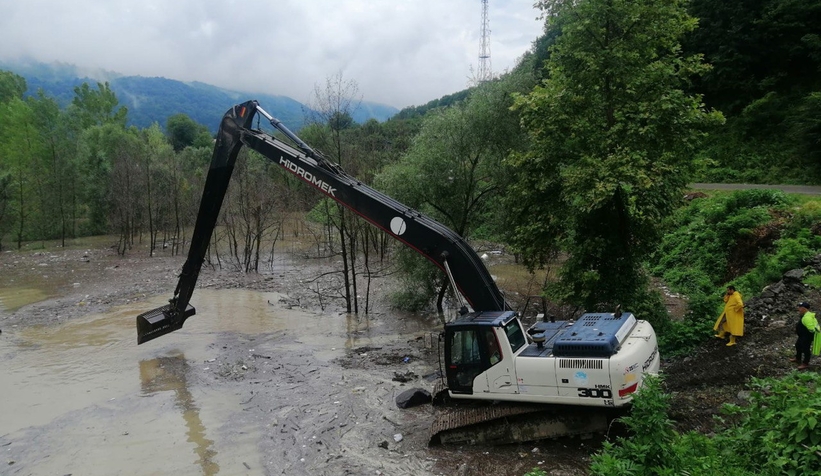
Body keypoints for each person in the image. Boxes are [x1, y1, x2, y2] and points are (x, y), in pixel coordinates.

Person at [793, 302, 819, 370]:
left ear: (804, 309)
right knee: (798, 345)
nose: (799, 309)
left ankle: (805, 363)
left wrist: (807, 335)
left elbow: (811, 329)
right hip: (802, 336)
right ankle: (798, 358)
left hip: (806, 337)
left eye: (800, 308)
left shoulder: (807, 317)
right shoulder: (805, 315)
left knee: (806, 349)